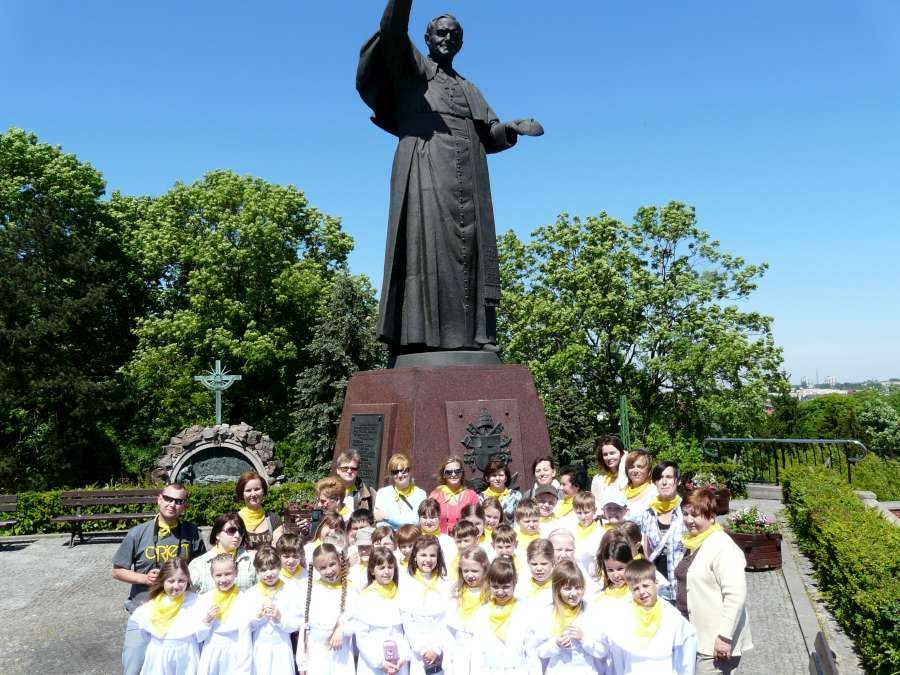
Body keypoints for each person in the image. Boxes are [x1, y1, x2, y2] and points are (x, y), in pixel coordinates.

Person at [357, 0, 543, 356]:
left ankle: (477, 335)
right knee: (425, 250)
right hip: (425, 167)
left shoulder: (469, 88)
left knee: (471, 253)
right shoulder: (411, 68)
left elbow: (489, 133)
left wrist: (511, 128)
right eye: (440, 33)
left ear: (461, 42)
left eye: (454, 35)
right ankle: (417, 338)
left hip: (470, 175)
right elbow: (392, 31)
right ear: (427, 38)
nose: (447, 39)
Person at [113, 482, 206, 675]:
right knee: (134, 666)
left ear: (184, 506)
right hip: (143, 610)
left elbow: (200, 567)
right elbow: (117, 571)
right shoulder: (138, 533)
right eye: (168, 499)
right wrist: (145, 578)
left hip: (180, 612)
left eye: (179, 501)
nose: (172, 504)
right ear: (159, 499)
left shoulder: (192, 532)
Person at [676, 488, 752, 674]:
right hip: (694, 635)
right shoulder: (693, 542)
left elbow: (735, 596)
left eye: (695, 515)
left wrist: (724, 637)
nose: (689, 520)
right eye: (685, 514)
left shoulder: (723, 547)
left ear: (711, 517)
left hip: (713, 643)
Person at [596, 559, 697, 674]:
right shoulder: (624, 615)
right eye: (636, 588)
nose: (642, 592)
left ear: (656, 584)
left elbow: (684, 653)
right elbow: (618, 655)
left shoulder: (671, 615)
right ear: (630, 590)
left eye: (645, 586)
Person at [128, 558, 207, 675]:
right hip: (159, 656)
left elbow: (202, 635)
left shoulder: (198, 602)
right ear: (163, 581)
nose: (176, 586)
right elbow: (145, 635)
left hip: (187, 656)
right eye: (171, 581)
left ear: (187, 580)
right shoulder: (149, 607)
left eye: (181, 581)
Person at [469, 557, 542, 674]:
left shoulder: (524, 611)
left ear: (514, 583)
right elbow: (477, 651)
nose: (500, 592)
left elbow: (531, 650)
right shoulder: (483, 613)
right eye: (495, 587)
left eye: (505, 587)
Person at [297, 542, 357, 675]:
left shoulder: (351, 590)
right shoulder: (311, 590)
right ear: (316, 569)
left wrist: (342, 629)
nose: (329, 571)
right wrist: (302, 663)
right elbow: (304, 627)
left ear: (339, 561)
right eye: (323, 568)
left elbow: (358, 621)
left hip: (341, 655)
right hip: (316, 655)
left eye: (332, 564)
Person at [244, 545, 304, 675]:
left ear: (280, 567)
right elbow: (246, 627)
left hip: (282, 647)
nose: (269, 574)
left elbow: (297, 623)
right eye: (263, 570)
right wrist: (258, 617)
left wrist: (280, 618)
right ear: (257, 571)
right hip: (259, 649)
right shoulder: (251, 594)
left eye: (272, 568)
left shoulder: (290, 589)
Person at [535, 561, 603, 674]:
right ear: (557, 589)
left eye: (578, 587)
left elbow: (602, 651)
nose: (574, 593)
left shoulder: (591, 611)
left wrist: (584, 638)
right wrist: (556, 644)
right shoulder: (548, 613)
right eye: (567, 589)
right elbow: (539, 651)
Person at [399, 535, 453, 675]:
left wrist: (437, 649)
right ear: (415, 557)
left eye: (432, 555)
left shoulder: (445, 582)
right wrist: (423, 649)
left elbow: (448, 619)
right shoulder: (407, 582)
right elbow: (407, 620)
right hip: (418, 647)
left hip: (441, 645)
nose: (428, 560)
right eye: (423, 555)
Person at [352, 547, 411, 675]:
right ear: (372, 570)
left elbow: (408, 629)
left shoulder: (401, 593)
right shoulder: (366, 597)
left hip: (399, 661)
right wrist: (380, 662)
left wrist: (403, 656)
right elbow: (362, 636)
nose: (387, 572)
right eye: (381, 568)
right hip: (373, 661)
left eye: (390, 567)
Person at [196, 553, 253, 675]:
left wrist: (243, 669)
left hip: (234, 654)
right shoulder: (205, 599)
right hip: (211, 654)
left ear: (236, 573)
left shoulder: (244, 599)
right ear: (212, 575)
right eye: (218, 575)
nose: (223, 579)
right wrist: (207, 620)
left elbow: (245, 638)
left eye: (228, 574)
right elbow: (199, 637)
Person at [639, 460, 687, 602]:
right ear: (655, 482)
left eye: (669, 477)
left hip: (681, 582)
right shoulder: (648, 513)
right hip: (657, 582)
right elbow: (647, 550)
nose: (664, 482)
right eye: (659, 478)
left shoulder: (687, 511)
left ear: (677, 481)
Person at [189, 512, 257, 594]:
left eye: (241, 531)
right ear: (217, 534)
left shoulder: (252, 561)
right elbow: (187, 596)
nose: (237, 535)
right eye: (231, 530)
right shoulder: (199, 564)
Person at [447, 546, 490, 674]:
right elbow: (450, 628)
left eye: (475, 571)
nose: (470, 575)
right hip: (460, 652)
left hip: (483, 651)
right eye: (466, 571)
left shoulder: (491, 594)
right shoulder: (455, 593)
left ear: (485, 569)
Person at [374, 453, 428, 529]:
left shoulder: (420, 494)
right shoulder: (382, 493)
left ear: (410, 471)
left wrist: (387, 517)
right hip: (388, 536)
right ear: (391, 474)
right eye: (395, 472)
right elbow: (380, 523)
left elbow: (416, 521)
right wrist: (405, 521)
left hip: (411, 536)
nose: (399, 475)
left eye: (403, 471)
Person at [429, 455, 480, 533]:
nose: (453, 474)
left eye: (457, 471)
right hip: (441, 538)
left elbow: (478, 521)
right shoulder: (435, 495)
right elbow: (428, 519)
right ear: (444, 475)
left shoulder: (471, 495)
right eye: (449, 472)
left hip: (465, 538)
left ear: (462, 473)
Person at [236, 472, 284, 550]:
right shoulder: (235, 520)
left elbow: (280, 546)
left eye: (257, 489)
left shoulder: (274, 519)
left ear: (263, 491)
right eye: (248, 490)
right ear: (242, 494)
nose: (253, 494)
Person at [334, 449, 375, 513]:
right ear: (338, 470)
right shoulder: (326, 490)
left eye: (353, 468)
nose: (349, 471)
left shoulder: (370, 493)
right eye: (345, 468)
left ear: (357, 471)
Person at [590, 435, 628, 501]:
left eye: (612, 453)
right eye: (605, 454)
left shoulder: (629, 476)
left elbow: (623, 488)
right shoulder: (598, 479)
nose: (609, 457)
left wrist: (623, 465)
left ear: (622, 454)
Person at [622, 449, 658, 515]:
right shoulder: (622, 491)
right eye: (631, 467)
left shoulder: (655, 493)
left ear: (648, 470)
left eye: (640, 467)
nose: (635, 471)